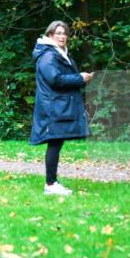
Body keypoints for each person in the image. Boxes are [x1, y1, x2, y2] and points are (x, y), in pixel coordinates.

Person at [31, 21, 92, 195]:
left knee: (56, 142)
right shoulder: (48, 55)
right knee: (55, 142)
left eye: (64, 33)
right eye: (58, 33)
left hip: (57, 105)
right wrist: (80, 78)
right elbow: (55, 80)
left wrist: (80, 78)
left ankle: (52, 182)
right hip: (52, 107)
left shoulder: (59, 53)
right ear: (50, 35)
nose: (62, 36)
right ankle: (50, 184)